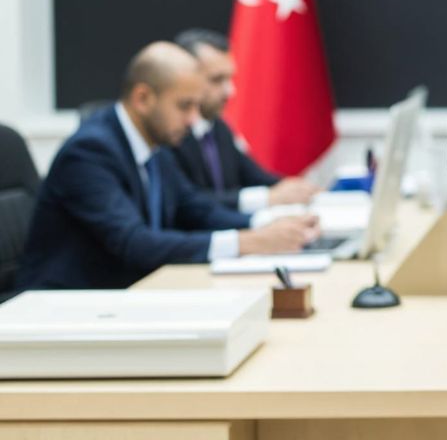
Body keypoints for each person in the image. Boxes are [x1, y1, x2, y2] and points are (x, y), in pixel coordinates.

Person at [17, 42, 321, 290]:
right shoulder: (89, 153)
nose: (193, 120)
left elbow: (196, 209)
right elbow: (134, 243)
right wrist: (247, 242)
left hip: (130, 293)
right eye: (184, 106)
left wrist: (272, 226)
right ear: (143, 98)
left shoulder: (154, 144)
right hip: (63, 307)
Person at [171, 29, 320, 212]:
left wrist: (296, 189)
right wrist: (267, 198)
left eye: (229, 79)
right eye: (216, 80)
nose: (230, 91)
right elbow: (188, 203)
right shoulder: (169, 133)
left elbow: (255, 177)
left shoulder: (218, 128)